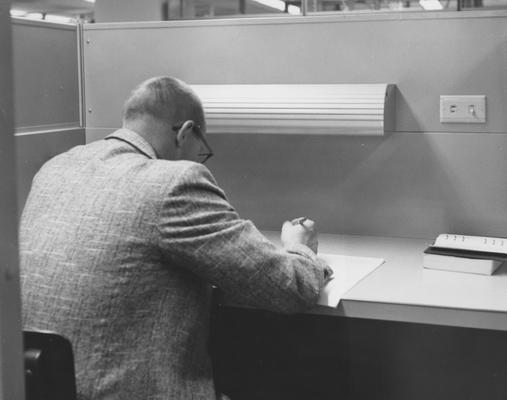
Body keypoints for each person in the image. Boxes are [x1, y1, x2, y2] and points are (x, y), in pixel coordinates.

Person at [20, 76, 332, 400]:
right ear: (185, 133)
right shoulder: (175, 182)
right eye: (202, 154)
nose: (199, 162)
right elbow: (286, 287)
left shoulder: (56, 168)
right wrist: (299, 247)